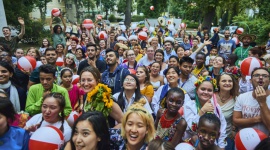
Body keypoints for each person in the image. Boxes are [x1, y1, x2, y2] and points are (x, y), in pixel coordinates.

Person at [183, 76, 227, 149]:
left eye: (209, 90)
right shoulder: (189, 105)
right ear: (197, 90)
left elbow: (222, 128)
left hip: (211, 145)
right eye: (203, 89)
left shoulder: (216, 107)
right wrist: (202, 111)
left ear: (213, 93)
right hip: (193, 145)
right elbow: (191, 129)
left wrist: (221, 146)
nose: (206, 92)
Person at [233, 68, 270, 135]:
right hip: (243, 141)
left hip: (265, 143)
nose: (261, 77)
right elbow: (235, 121)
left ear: (269, 81)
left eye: (265, 76)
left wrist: (262, 102)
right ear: (251, 80)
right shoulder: (242, 97)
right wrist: (257, 119)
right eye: (256, 75)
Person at [216, 73, 239, 150]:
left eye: (230, 81)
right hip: (209, 136)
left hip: (227, 137)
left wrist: (234, 130)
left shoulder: (236, 100)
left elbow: (238, 117)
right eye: (224, 81)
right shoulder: (211, 96)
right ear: (218, 83)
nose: (227, 83)